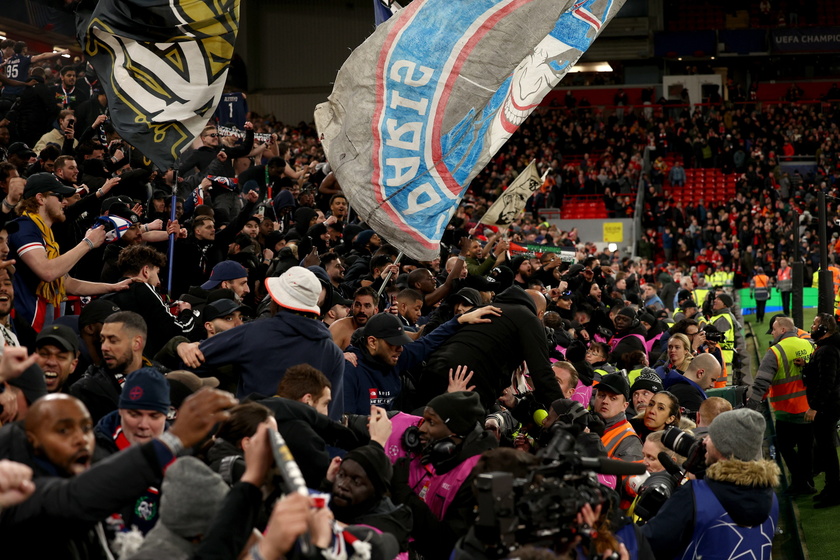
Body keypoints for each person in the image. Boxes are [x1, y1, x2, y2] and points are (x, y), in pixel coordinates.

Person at [0, 388, 236, 558]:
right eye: (63, 430)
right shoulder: (18, 496)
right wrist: (173, 440)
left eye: (85, 428)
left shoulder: (92, 469)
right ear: (35, 442)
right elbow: (73, 498)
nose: (81, 439)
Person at [193, 267, 345, 420]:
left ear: (276, 300)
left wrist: (180, 345)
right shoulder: (334, 353)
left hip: (251, 437)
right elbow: (332, 417)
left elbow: (194, 359)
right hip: (306, 440)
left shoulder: (252, 333)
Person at [642, 409, 780, 559]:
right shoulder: (771, 498)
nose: (704, 441)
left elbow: (648, 543)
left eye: (711, 437)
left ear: (724, 446)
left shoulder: (695, 495)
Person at [7, 173, 131, 331]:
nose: (64, 202)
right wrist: (88, 243)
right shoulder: (23, 227)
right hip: (24, 324)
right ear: (40, 198)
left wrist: (113, 287)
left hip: (40, 324)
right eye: (59, 197)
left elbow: (67, 283)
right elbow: (48, 271)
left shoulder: (46, 235)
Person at [389, 391, 498, 558]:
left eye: (431, 422)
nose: (422, 429)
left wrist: (402, 492)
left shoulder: (484, 475)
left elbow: (447, 542)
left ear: (455, 431)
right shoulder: (450, 460)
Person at [420, 286, 566, 410]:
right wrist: (564, 411)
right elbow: (542, 374)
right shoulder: (530, 319)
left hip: (433, 369)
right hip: (469, 382)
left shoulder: (483, 308)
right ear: (540, 314)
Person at [343, 306, 499, 414]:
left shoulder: (395, 357)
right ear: (372, 342)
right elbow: (346, 421)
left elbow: (427, 342)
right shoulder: (350, 368)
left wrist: (459, 320)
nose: (401, 349)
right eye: (394, 343)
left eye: (402, 343)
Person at [747, 315, 815, 496]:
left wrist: (751, 405)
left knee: (784, 446)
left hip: (787, 410)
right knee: (806, 448)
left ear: (783, 330)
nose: (773, 333)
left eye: (775, 329)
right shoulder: (809, 344)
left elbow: (762, 382)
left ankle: (800, 482)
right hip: (809, 408)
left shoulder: (775, 351)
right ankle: (807, 482)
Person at [104, 244, 199, 356]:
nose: (158, 281)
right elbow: (179, 331)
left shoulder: (108, 294)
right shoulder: (144, 288)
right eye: (157, 274)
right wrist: (186, 312)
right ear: (146, 271)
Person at [68, 311, 162, 423]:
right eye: (102, 340)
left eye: (113, 341)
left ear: (137, 343)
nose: (104, 347)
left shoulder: (166, 380)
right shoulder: (85, 390)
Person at [802, 313, 840, 507]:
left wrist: (814, 407)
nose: (812, 327)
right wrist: (808, 366)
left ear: (824, 329)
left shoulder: (828, 351)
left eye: (816, 324)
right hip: (829, 406)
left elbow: (827, 381)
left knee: (828, 451)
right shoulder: (826, 349)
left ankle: (834, 492)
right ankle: (831, 488)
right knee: (826, 450)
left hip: (827, 408)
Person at [592, 373, 643, 462]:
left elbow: (625, 475)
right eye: (601, 395)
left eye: (613, 398)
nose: (605, 401)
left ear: (625, 406)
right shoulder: (585, 423)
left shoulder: (630, 441)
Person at [329, 286, 378, 350]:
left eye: (367, 306)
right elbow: (325, 355)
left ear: (376, 310)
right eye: (357, 305)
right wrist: (342, 356)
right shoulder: (338, 328)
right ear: (352, 307)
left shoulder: (380, 330)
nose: (361, 310)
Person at [33, 324, 79, 393]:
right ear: (33, 359)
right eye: (44, 354)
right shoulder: (15, 400)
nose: (51, 362)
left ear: (73, 365)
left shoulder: (79, 403)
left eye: (61, 357)